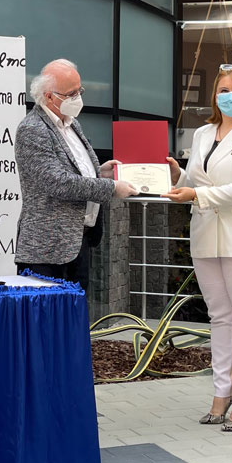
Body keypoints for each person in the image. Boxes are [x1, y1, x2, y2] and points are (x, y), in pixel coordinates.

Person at [162, 63, 232, 432]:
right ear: (214, 95)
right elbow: (197, 179)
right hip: (206, 235)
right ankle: (221, 393)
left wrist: (196, 194)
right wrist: (177, 176)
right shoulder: (202, 133)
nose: (229, 96)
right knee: (220, 318)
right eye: (223, 90)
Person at [14, 58, 138, 291]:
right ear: (49, 97)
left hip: (77, 240)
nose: (78, 97)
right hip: (47, 248)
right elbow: (58, 182)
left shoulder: (72, 124)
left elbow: (72, 169)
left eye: (79, 90)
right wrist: (111, 187)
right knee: (50, 312)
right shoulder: (33, 129)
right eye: (71, 93)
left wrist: (100, 172)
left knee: (77, 309)